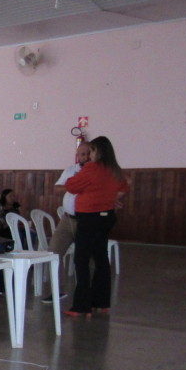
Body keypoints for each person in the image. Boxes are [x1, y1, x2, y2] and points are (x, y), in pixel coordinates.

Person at [63, 136, 130, 317]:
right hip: (106, 217)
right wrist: (112, 198)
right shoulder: (115, 169)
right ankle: (101, 302)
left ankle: (81, 306)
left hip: (89, 218)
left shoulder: (92, 168)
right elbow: (125, 186)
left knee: (81, 259)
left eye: (91, 151)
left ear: (98, 152)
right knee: (101, 258)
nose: (89, 155)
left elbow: (71, 186)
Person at [43, 140, 91, 303]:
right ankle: (58, 290)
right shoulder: (71, 170)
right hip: (67, 219)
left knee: (83, 258)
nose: (86, 157)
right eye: (82, 154)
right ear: (78, 156)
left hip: (87, 220)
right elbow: (57, 189)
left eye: (88, 154)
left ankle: (85, 295)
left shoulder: (97, 172)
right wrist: (74, 185)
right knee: (53, 251)